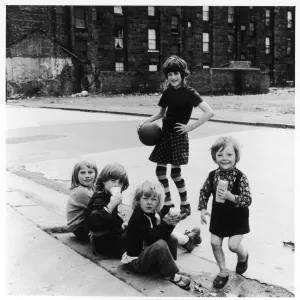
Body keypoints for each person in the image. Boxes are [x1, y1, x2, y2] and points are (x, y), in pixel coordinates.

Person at [137, 55, 214, 220]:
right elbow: (160, 113)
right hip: (164, 135)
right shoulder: (167, 92)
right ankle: (168, 202)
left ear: (183, 74)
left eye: (175, 73)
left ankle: (185, 205)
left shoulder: (190, 93)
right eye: (169, 74)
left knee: (175, 174)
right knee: (160, 171)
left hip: (178, 137)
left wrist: (190, 127)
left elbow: (209, 112)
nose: (172, 77)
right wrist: (144, 123)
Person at [198, 136, 252, 289]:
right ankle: (223, 272)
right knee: (215, 243)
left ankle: (243, 256)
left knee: (233, 246)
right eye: (220, 155)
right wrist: (203, 208)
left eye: (229, 155)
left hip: (237, 216)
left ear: (236, 156)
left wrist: (231, 196)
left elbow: (247, 200)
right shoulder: (212, 175)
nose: (224, 158)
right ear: (214, 157)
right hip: (219, 215)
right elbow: (204, 191)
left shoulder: (241, 177)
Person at [121, 180, 192, 290]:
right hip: (136, 261)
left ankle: (167, 266)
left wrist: (171, 223)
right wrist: (165, 223)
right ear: (138, 200)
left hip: (145, 254)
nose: (149, 202)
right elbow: (152, 239)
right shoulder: (139, 216)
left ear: (158, 202)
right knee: (160, 245)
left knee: (172, 238)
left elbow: (161, 234)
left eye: (153, 199)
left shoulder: (152, 213)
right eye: (145, 198)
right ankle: (169, 274)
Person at [86, 163, 129, 258]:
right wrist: (111, 205)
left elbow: (111, 219)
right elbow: (94, 222)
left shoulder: (108, 196)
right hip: (105, 244)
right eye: (113, 181)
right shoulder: (99, 199)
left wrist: (120, 223)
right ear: (104, 181)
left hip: (110, 238)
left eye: (120, 182)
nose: (117, 185)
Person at [66, 159, 98, 241]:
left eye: (90, 172)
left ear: (95, 174)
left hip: (82, 224)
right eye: (83, 173)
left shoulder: (90, 188)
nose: (87, 176)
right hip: (80, 228)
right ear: (76, 175)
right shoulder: (81, 191)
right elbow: (99, 207)